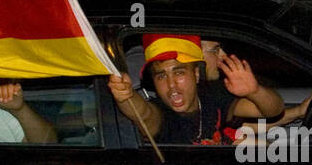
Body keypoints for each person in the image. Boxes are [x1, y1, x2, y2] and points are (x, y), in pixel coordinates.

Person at [109, 34, 283, 145]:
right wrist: (126, 95)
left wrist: (254, 91)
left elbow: (272, 110)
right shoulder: (162, 115)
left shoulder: (212, 95)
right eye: (161, 76)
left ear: (196, 74)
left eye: (179, 72)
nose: (171, 84)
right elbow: (144, 114)